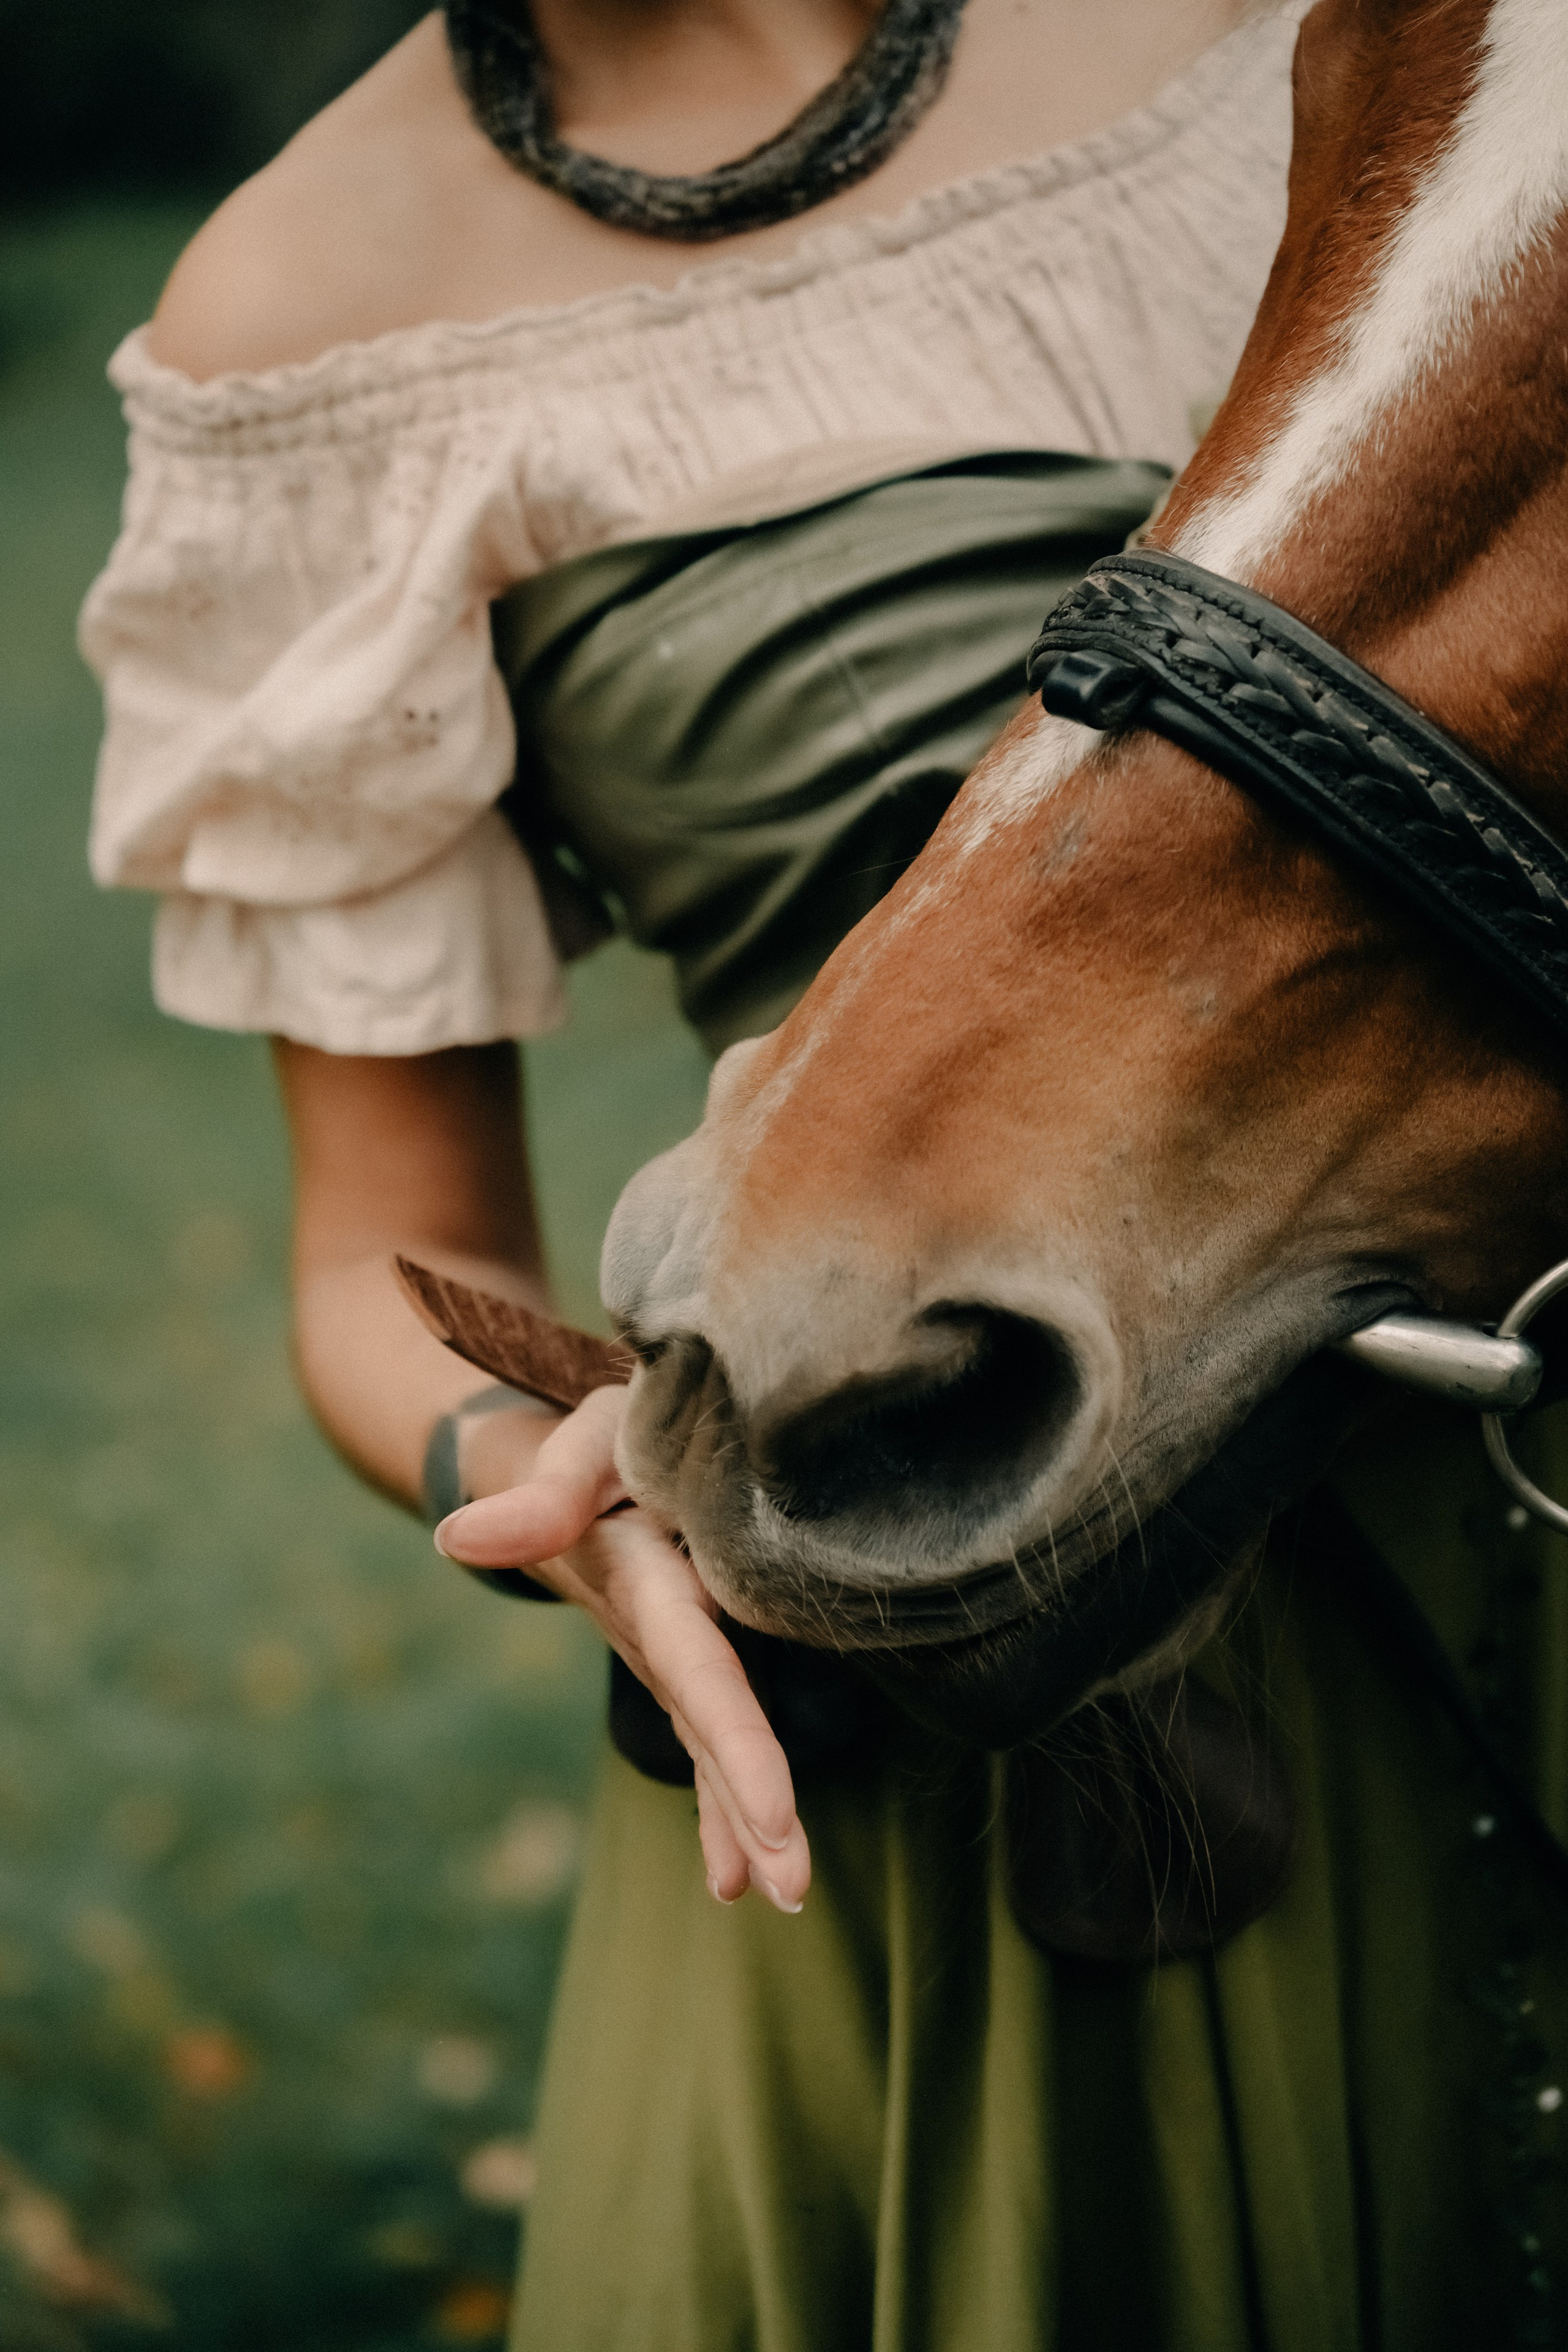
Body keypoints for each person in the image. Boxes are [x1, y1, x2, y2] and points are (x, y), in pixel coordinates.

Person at [81, 3, 1565, 2344]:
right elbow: (386, 1250)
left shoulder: (1298, 26)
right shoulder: (302, 311)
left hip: (1506, 1431)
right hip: (916, 1520)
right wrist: (557, 1487)